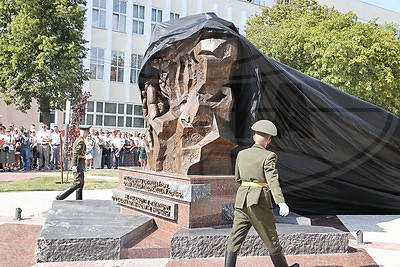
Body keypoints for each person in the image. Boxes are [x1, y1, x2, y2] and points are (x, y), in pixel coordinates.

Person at [224, 120, 298, 267]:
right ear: (268, 140)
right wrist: (281, 202)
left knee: (235, 237)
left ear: (254, 138)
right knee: (271, 238)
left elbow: (238, 178)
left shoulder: (241, 154)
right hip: (259, 201)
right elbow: (273, 180)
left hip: (242, 199)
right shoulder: (269, 156)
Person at [56, 125, 90, 200]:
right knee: (77, 182)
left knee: (81, 183)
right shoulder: (80, 141)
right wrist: (74, 165)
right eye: (87, 132)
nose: (88, 134)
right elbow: (76, 154)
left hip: (80, 164)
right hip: (78, 164)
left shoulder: (81, 140)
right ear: (84, 132)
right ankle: (61, 196)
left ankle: (79, 199)